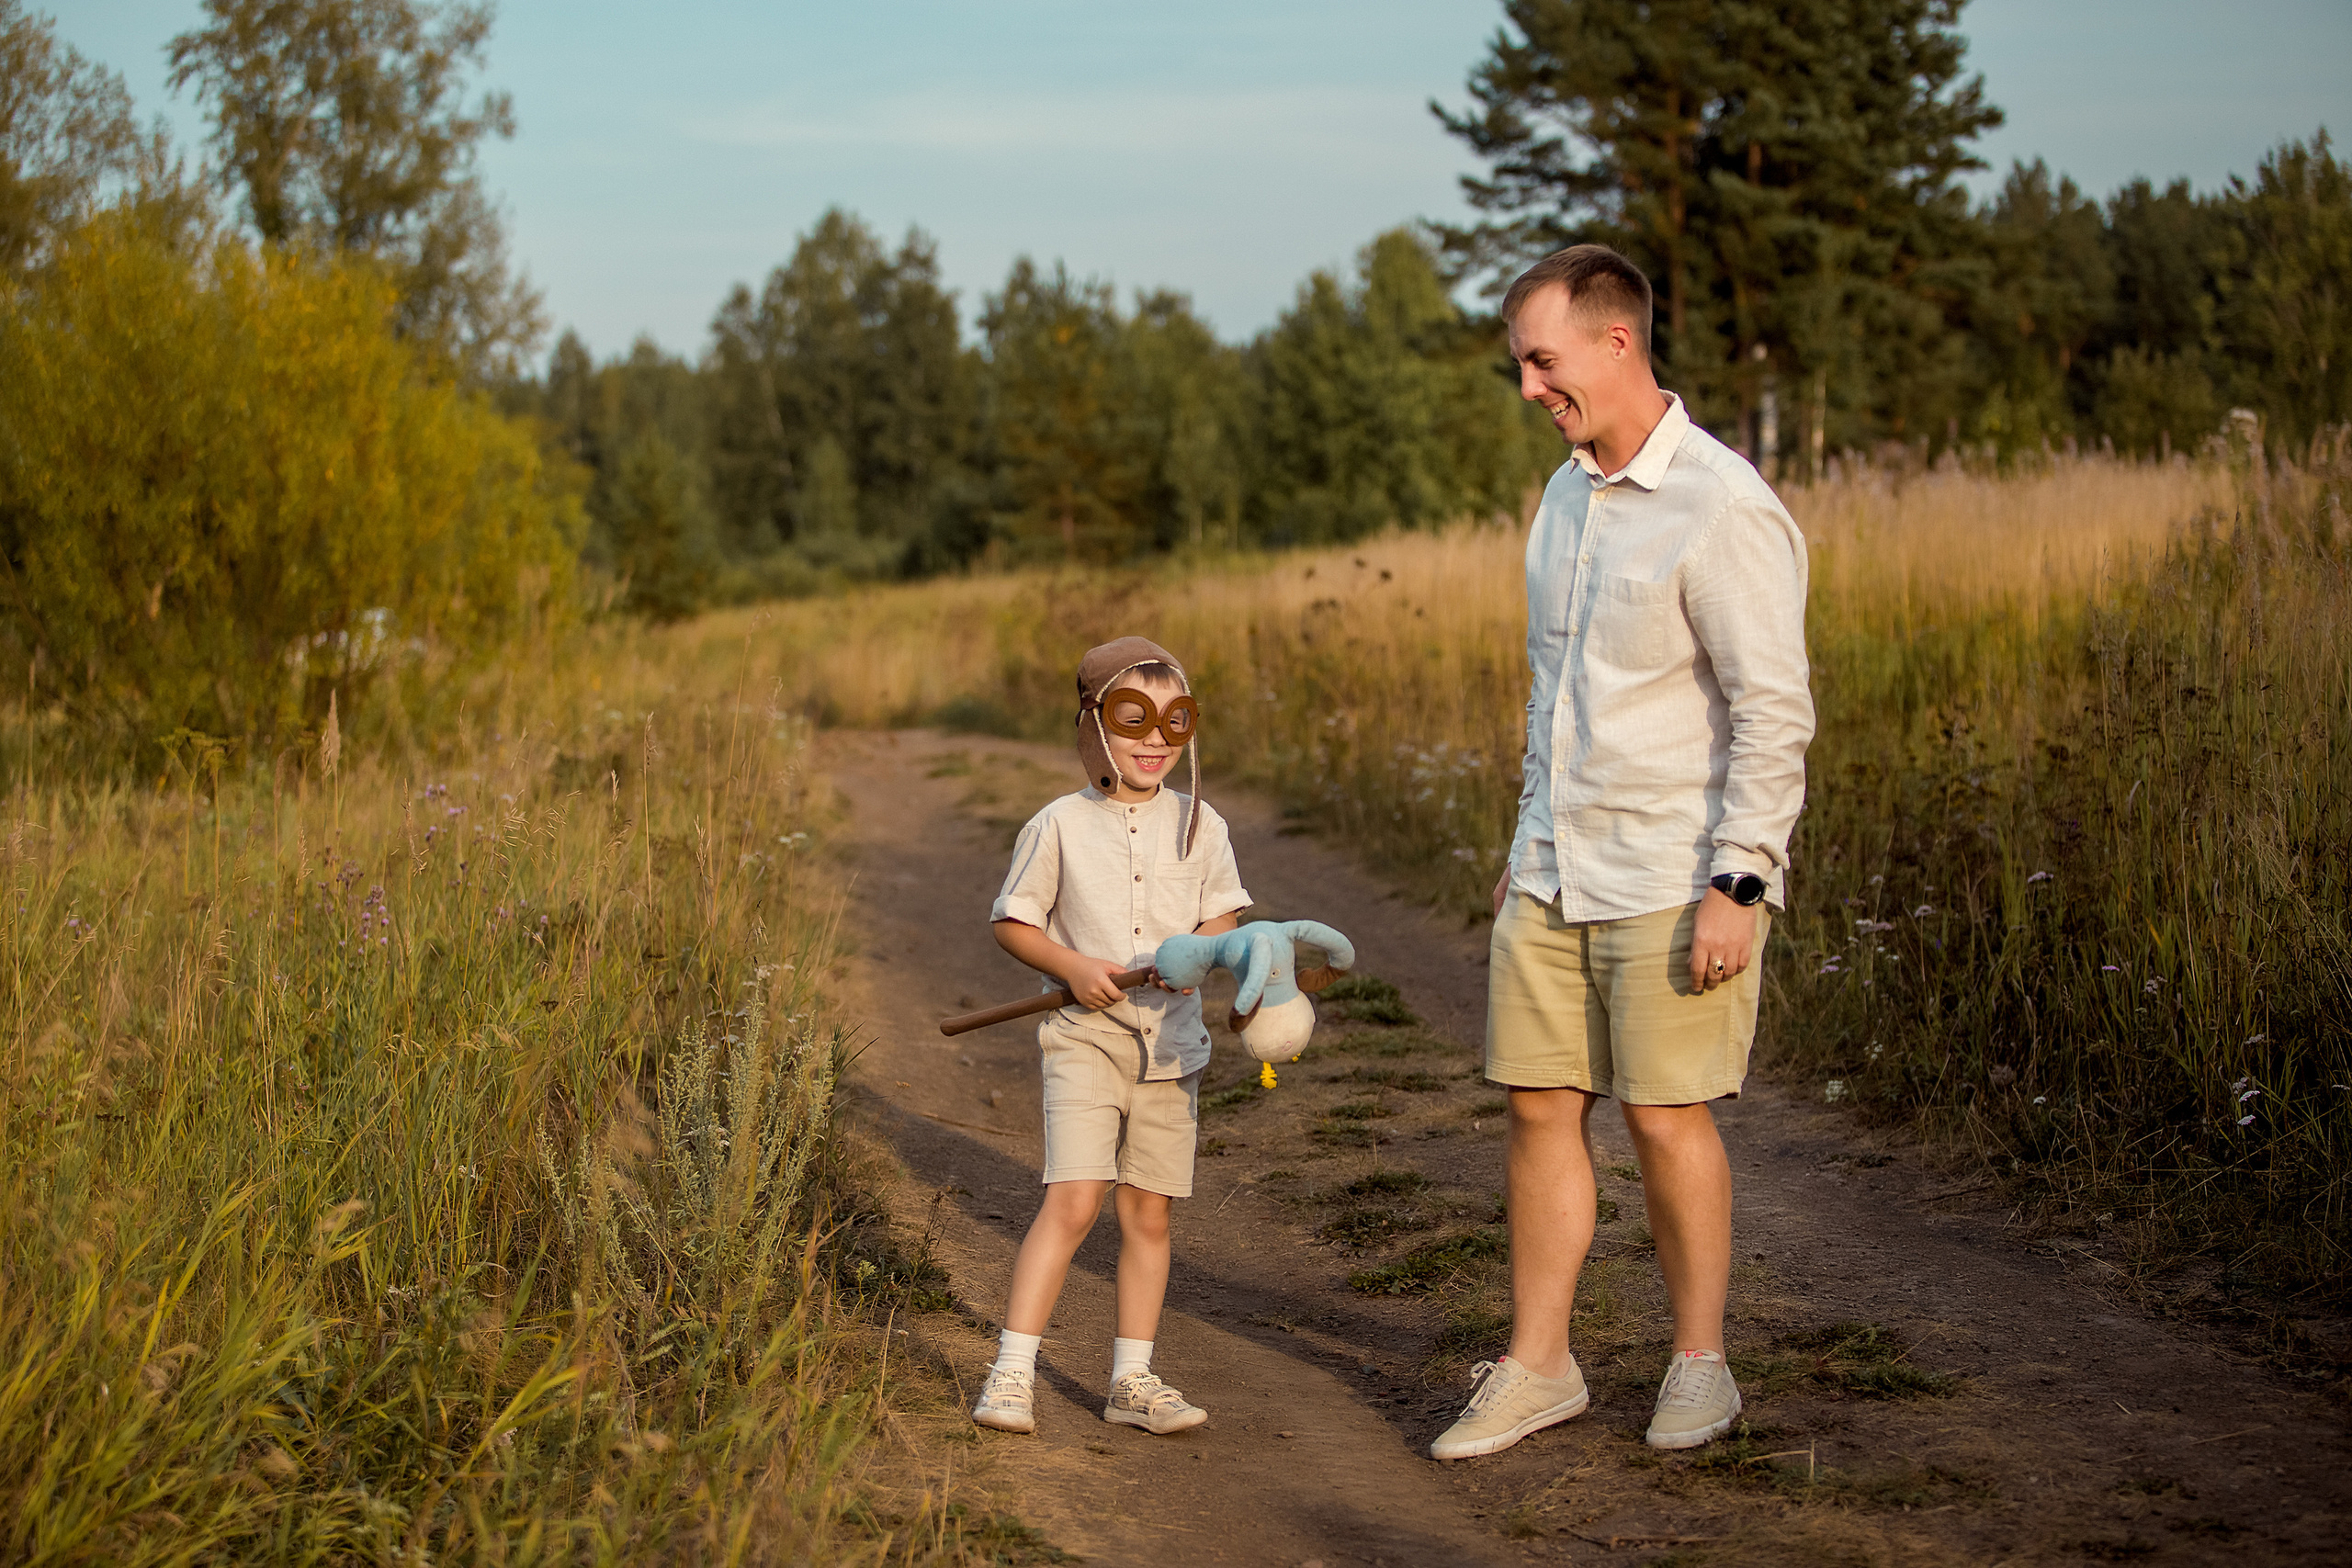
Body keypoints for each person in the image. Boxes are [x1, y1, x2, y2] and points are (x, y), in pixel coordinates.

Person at [1430, 245, 1815, 1461]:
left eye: (1542, 361)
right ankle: (1539, 1362)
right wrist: (1523, 835)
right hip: (1554, 867)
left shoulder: (1723, 506)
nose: (1531, 387)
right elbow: (1555, 688)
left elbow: (1773, 709)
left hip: (1672, 871)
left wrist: (1740, 881)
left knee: (1664, 1116)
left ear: (1617, 343)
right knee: (1540, 1105)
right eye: (1520, 366)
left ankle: (1701, 1364)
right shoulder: (1560, 499)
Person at [970, 636, 1250, 1438]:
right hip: (1084, 1040)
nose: (1156, 740)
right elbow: (1013, 921)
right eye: (1135, 720)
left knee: (1149, 1214)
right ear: (1094, 725)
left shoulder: (1203, 824)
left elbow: (1224, 912)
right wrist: (1070, 963)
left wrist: (1199, 953)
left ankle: (1131, 1378)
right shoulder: (1057, 824)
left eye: (1175, 722)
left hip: (1171, 1050)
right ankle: (1013, 1369)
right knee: (1074, 1198)